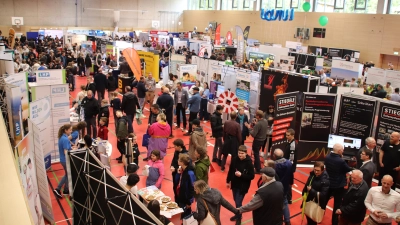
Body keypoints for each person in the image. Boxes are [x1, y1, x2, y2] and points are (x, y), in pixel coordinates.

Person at [325, 143, 352, 225]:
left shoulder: (327, 157)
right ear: (340, 151)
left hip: (328, 183)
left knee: (324, 201)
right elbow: (348, 170)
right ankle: (334, 222)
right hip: (338, 185)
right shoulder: (341, 161)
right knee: (337, 205)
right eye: (342, 150)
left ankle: (318, 216)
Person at [226, 145, 255, 223]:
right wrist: (228, 181)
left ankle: (238, 217)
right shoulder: (235, 159)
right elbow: (230, 171)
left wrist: (241, 175)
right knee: (235, 200)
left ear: (246, 153)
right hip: (235, 184)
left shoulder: (249, 163)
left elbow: (252, 176)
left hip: (243, 186)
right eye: (239, 153)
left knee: (238, 202)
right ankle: (238, 214)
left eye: (242, 153)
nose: (240, 155)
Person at [53, 124, 74, 198]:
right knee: (67, 175)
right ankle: (58, 189)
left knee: (67, 174)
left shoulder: (62, 138)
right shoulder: (65, 139)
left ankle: (66, 190)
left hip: (63, 160)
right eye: (70, 130)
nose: (71, 131)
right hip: (65, 160)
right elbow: (66, 152)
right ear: (66, 130)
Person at [174, 154, 196, 219]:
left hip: (186, 199)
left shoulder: (190, 173)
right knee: (182, 215)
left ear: (182, 162)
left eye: (179, 160)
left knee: (186, 216)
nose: (177, 161)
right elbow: (176, 181)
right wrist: (178, 173)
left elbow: (192, 188)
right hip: (181, 196)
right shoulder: (182, 170)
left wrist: (189, 202)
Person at [274, 149, 292, 225]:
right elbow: (291, 175)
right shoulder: (289, 163)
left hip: (276, 188)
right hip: (285, 187)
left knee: (275, 205)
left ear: (274, 156)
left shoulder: (274, 165)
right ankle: (287, 221)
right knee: (285, 203)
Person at [284, 128, 298, 203]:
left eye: (288, 135)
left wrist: (287, 167)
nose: (286, 136)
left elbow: (291, 159)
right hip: (287, 165)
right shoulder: (289, 142)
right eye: (286, 135)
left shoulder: (293, 145)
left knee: (288, 182)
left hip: (289, 167)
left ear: (292, 135)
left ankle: (289, 198)